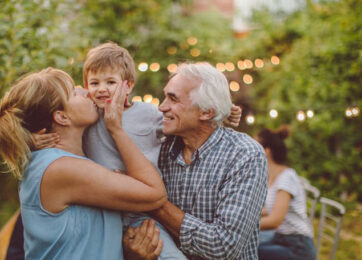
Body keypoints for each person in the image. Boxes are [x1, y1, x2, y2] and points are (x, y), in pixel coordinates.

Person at [0, 68, 167, 259]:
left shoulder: (57, 161)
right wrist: (116, 129)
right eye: (74, 92)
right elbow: (155, 194)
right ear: (62, 117)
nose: (86, 92)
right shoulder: (60, 168)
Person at [123, 63, 268, 259]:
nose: (162, 107)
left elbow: (223, 247)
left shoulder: (244, 155)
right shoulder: (159, 146)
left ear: (206, 112)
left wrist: (151, 200)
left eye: (173, 99)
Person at [256, 127, 316, 260]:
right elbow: (269, 210)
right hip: (282, 239)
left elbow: (274, 220)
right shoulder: (273, 177)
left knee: (244, 252)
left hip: (297, 248)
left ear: (266, 152)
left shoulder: (286, 177)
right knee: (247, 244)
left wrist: (243, 225)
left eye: (255, 147)